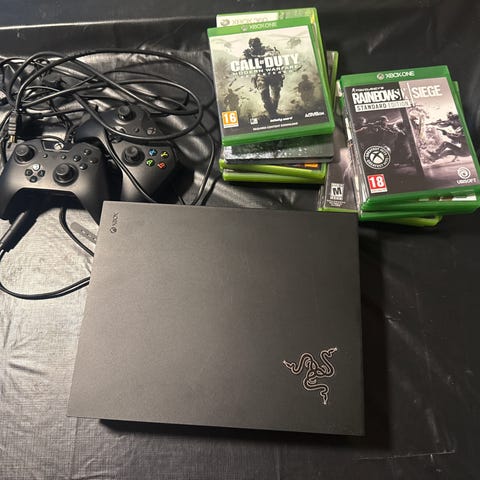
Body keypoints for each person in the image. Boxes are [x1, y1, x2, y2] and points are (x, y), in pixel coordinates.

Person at [243, 37, 284, 117]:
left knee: (276, 94)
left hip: (273, 74)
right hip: (261, 75)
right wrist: (248, 57)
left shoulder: (267, 49)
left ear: (260, 45)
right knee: (264, 94)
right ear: (250, 46)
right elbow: (246, 62)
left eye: (256, 45)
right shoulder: (249, 53)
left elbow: (269, 55)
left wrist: (253, 56)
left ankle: (273, 110)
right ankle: (271, 112)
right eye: (253, 46)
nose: (255, 47)